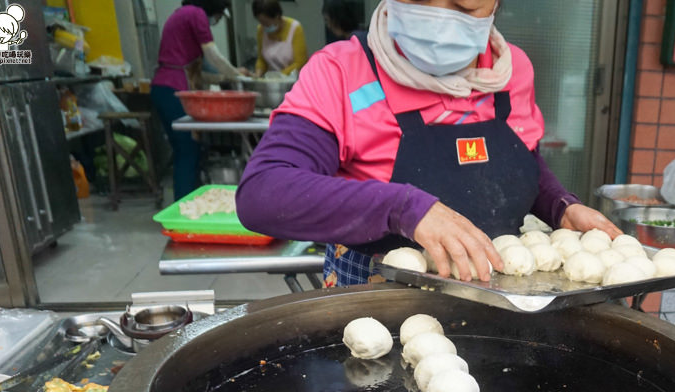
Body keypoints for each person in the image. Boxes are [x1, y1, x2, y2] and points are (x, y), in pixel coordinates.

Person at [236, 0, 620, 287]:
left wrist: (559, 205)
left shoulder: (510, 70)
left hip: (498, 294)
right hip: (375, 298)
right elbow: (264, 193)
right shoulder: (342, 72)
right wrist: (403, 207)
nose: (440, 13)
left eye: (464, 2)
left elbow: (524, 159)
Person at [150, 0, 246, 201]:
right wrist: (238, 75)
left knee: (188, 150)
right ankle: (184, 210)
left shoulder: (184, 14)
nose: (216, 21)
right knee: (187, 150)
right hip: (173, 88)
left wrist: (229, 76)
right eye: (219, 16)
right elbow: (213, 55)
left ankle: (191, 202)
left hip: (165, 88)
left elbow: (204, 71)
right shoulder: (196, 15)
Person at [253, 0, 309, 77]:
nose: (264, 26)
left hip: (294, 80)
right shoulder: (261, 30)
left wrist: (279, 76)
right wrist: (257, 75)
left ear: (277, 16)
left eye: (266, 23)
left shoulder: (295, 28)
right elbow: (261, 60)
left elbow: (300, 62)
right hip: (272, 82)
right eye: (261, 23)